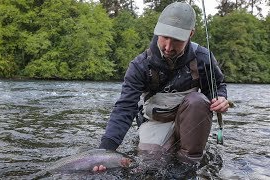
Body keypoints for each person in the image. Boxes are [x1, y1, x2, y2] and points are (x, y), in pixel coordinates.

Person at [93, 2, 229, 172]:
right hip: (156, 122)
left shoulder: (203, 58)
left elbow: (217, 86)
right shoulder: (140, 65)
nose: (168, 47)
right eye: (164, 37)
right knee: (150, 166)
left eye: (177, 40)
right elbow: (125, 108)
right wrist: (105, 151)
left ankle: (188, 165)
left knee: (198, 101)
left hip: (191, 119)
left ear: (190, 34)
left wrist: (221, 98)